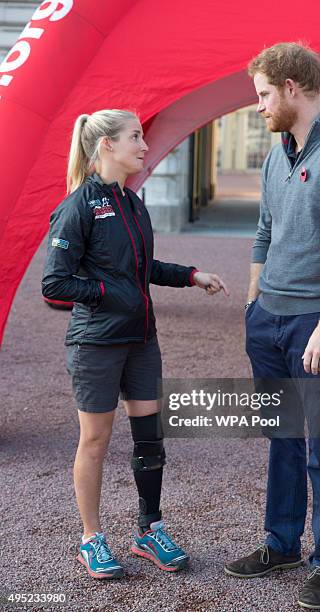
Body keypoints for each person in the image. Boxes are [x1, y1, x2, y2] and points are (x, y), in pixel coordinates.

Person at [224, 43, 320, 610]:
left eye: (264, 94)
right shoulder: (276, 154)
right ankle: (281, 544)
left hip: (317, 325)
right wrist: (252, 303)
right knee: (282, 439)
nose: (259, 106)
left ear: (293, 87)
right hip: (268, 323)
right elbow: (264, 230)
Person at [42, 109, 229, 580]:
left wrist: (190, 276)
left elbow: (141, 268)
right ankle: (92, 539)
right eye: (135, 137)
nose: (144, 146)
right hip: (97, 345)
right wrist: (108, 293)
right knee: (96, 440)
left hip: (142, 341)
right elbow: (54, 284)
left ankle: (150, 529)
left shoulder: (132, 202)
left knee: (151, 439)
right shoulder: (78, 206)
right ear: (106, 145)